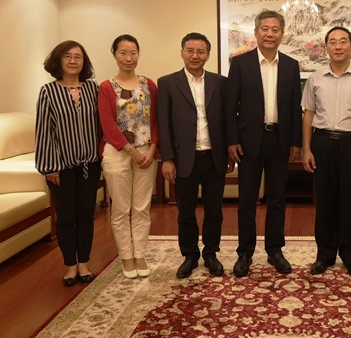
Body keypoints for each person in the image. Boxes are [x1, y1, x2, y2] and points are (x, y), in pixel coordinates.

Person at [226, 10, 302, 277]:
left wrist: (296, 142)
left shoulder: (291, 65)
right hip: (248, 142)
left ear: (282, 34)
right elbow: (230, 107)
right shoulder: (240, 63)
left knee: (277, 199)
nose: (270, 34)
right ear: (256, 32)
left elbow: (294, 107)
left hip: (280, 140)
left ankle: (275, 250)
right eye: (265, 29)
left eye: (275, 29)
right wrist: (232, 140)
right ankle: (245, 253)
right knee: (247, 200)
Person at [301, 27, 351, 277]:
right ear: (326, 47)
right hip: (322, 142)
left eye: (343, 41)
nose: (337, 46)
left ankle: (350, 255)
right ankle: (324, 255)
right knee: (324, 202)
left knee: (349, 201)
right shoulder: (315, 78)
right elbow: (308, 114)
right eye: (332, 42)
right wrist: (306, 149)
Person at [157, 32, 234, 279]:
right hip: (183, 158)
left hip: (213, 156)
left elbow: (228, 120)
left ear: (208, 55)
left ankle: (211, 253)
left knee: (214, 210)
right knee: (186, 211)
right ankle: (190, 255)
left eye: (201, 52)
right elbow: (163, 123)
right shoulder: (167, 83)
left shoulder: (220, 83)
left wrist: (229, 152)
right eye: (190, 50)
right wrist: (167, 158)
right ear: (182, 52)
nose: (195, 56)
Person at [35, 41, 102, 286]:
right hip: (60, 167)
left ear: (84, 62)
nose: (73, 61)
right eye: (68, 56)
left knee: (86, 215)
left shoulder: (93, 89)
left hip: (90, 164)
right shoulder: (48, 92)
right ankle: (70, 266)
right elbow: (44, 131)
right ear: (59, 61)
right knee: (65, 218)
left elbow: (102, 124)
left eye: (78, 57)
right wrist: (50, 167)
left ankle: (83, 263)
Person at [99, 34, 158, 279]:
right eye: (123, 53)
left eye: (133, 53)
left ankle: (140, 254)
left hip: (146, 152)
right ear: (115, 55)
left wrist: (153, 148)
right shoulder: (106, 87)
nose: (128, 58)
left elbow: (156, 119)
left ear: (138, 55)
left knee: (142, 207)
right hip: (117, 153)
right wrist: (130, 150)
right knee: (121, 209)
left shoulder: (148, 84)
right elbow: (107, 123)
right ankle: (126, 257)